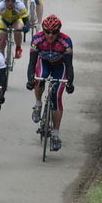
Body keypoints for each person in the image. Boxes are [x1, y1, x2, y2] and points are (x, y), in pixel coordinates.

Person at [26, 15, 75, 152]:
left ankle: (55, 135)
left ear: (58, 31)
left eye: (54, 32)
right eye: (47, 32)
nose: (50, 35)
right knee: (39, 78)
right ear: (43, 31)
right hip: (44, 63)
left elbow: (69, 65)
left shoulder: (66, 41)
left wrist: (70, 82)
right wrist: (30, 80)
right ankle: (38, 104)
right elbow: (32, 63)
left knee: (57, 97)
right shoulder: (37, 39)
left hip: (60, 66)